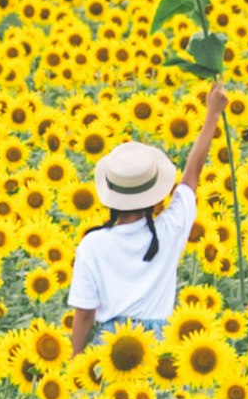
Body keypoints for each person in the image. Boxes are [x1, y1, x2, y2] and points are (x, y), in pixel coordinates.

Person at [64, 84, 225, 348]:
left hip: (110, 347)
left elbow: (83, 315)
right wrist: (212, 116)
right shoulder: (170, 229)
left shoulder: (92, 244)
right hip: (158, 346)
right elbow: (192, 175)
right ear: (154, 194)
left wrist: (75, 362)